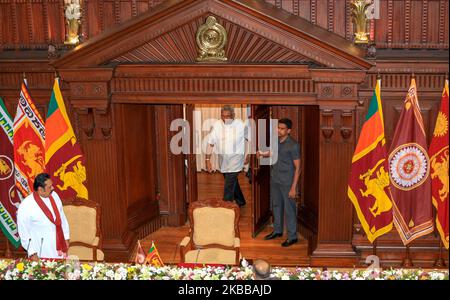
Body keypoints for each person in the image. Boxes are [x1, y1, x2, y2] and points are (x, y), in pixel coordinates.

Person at [260, 118, 301, 247]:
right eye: (278, 128)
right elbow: (272, 153)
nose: (279, 130)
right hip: (275, 179)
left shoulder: (293, 145)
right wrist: (262, 154)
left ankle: (292, 236)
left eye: (282, 128)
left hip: (287, 182)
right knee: (276, 205)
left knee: (289, 209)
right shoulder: (276, 141)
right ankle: (277, 231)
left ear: (289, 130)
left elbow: (298, 167)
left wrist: (294, 187)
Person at [17, 173, 70, 260]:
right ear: (40, 189)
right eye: (49, 187)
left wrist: (66, 238)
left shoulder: (55, 196)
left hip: (60, 248)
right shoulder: (26, 205)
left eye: (52, 185)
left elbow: (62, 218)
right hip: (41, 252)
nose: (53, 188)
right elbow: (24, 234)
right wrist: (32, 254)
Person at [205, 105, 249, 207]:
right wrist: (207, 159)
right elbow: (211, 143)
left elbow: (250, 139)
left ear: (233, 115)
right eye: (223, 116)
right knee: (231, 180)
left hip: (236, 158)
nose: (225, 119)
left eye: (228, 116)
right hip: (223, 159)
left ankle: (226, 207)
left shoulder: (240, 125)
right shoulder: (217, 125)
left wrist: (249, 155)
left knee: (229, 183)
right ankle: (240, 200)